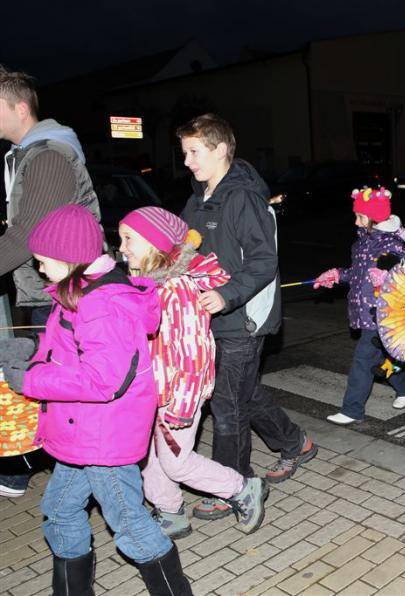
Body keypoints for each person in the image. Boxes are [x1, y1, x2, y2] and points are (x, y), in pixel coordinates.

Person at [2, 205, 191, 595]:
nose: (39, 268)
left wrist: (31, 379)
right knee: (60, 512)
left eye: (42, 260)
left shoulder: (101, 303)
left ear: (68, 258)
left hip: (103, 439)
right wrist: (32, 350)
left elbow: (103, 379)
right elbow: (71, 349)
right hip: (84, 433)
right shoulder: (81, 291)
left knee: (130, 526)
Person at [178, 114, 316, 522]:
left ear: (221, 149)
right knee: (243, 392)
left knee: (227, 404)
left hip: (243, 319)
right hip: (208, 318)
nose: (186, 161)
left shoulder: (243, 198)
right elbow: (182, 251)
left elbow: (263, 261)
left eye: (194, 152)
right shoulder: (197, 200)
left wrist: (225, 295)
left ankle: (233, 486)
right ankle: (295, 443)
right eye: (185, 152)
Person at [118, 207, 267, 538]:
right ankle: (169, 511)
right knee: (150, 457)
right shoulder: (146, 284)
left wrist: (183, 406)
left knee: (176, 462)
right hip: (152, 390)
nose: (122, 247)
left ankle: (241, 488)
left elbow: (193, 352)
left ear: (155, 243)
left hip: (179, 395)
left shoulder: (177, 290)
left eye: (129, 239)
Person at [0, 67, 99, 497]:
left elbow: (28, 236)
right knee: (44, 382)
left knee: (55, 387)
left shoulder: (48, 156)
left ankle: (25, 468)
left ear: (20, 108)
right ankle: (21, 467)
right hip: (46, 291)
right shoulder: (27, 154)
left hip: (62, 295)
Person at [314, 186, 405, 425]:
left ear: (374, 219)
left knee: (363, 360)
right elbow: (357, 275)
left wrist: (389, 278)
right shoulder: (361, 244)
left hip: (382, 313)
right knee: (380, 358)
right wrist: (337, 275)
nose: (356, 221)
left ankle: (352, 410)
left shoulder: (391, 245)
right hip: (365, 311)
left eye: (360, 216)